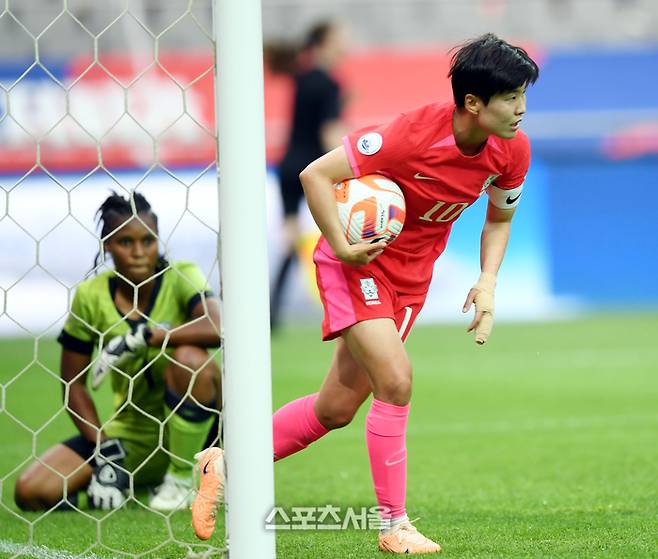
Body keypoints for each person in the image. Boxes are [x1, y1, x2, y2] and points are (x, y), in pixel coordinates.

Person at [193, 33, 539, 553]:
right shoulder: (408, 136)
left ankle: (224, 461)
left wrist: (487, 281)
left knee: (335, 408)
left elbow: (500, 218)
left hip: (411, 281)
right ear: (472, 103)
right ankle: (394, 524)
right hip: (357, 265)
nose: (521, 109)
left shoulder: (512, 148)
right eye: (511, 97)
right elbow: (315, 175)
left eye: (522, 96)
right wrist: (341, 244)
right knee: (396, 381)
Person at [14, 192, 222, 513]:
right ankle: (121, 484)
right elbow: (73, 386)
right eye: (126, 242)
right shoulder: (91, 296)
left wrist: (146, 337)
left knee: (190, 358)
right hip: (132, 439)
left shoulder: (180, 275)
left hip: (201, 437)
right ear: (107, 246)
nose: (139, 252)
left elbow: (218, 327)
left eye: (148, 240)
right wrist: (104, 448)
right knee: (32, 491)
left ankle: (182, 479)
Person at [268, 20, 349, 329]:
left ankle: (271, 310)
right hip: (318, 171)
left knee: (289, 239)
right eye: (341, 38)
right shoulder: (329, 83)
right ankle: (345, 305)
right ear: (324, 43)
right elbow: (330, 134)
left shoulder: (301, 77)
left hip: (289, 167)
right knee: (341, 232)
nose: (346, 44)